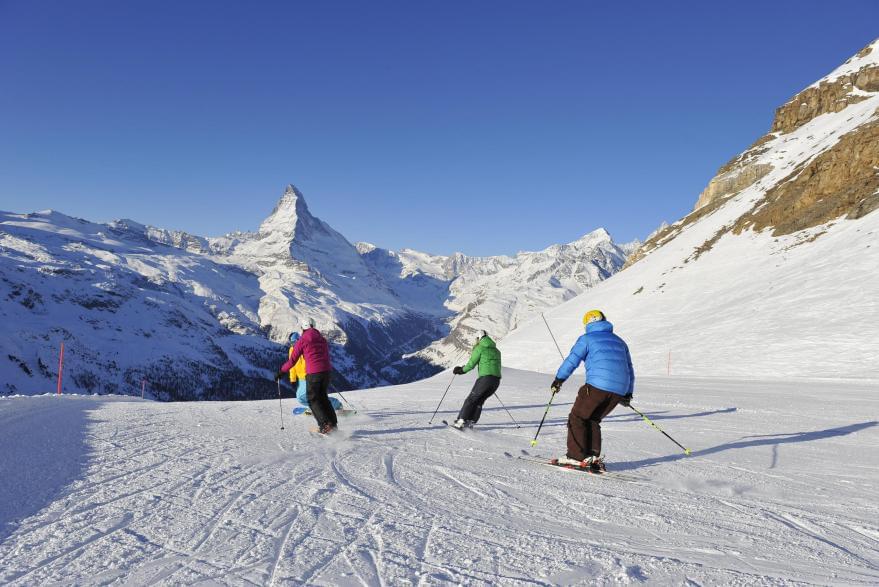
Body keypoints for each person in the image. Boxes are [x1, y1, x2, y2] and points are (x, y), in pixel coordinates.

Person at [550, 310, 634, 471]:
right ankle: (592, 456)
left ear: (587, 324)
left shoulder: (587, 339)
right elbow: (629, 368)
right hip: (619, 389)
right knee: (593, 419)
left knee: (577, 417)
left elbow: (572, 360)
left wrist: (559, 379)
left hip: (597, 386)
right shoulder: (620, 341)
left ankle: (575, 456)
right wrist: (627, 393)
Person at [276, 318, 337, 434]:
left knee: (313, 399)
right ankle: (333, 425)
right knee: (323, 398)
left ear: (303, 328)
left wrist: (281, 372)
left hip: (313, 373)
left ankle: (325, 425)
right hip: (327, 372)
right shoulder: (322, 339)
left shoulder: (302, 340)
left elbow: (292, 361)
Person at [451, 330, 502, 429]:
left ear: (479, 338)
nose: (476, 341)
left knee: (471, 399)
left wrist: (460, 370)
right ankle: (471, 422)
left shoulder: (480, 348)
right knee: (479, 401)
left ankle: (461, 421)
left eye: (476, 339)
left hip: (485, 379)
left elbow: (471, 365)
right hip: (496, 381)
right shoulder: (497, 351)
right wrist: (491, 379)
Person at [286, 332, 341, 413]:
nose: (294, 345)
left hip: (311, 376)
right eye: (292, 343)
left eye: (295, 342)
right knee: (301, 398)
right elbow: (292, 366)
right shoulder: (291, 350)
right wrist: (292, 379)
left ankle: (335, 404)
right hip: (301, 378)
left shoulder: (307, 348)